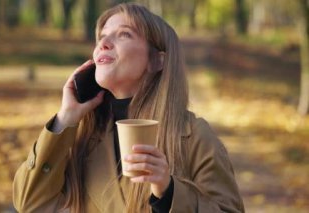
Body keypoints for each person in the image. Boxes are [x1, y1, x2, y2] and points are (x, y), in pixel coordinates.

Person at [13, 3, 245, 213]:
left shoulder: (194, 136)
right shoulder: (79, 136)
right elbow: (30, 203)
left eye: (124, 34)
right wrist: (65, 118)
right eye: (102, 37)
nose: (103, 43)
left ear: (157, 60)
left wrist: (168, 191)